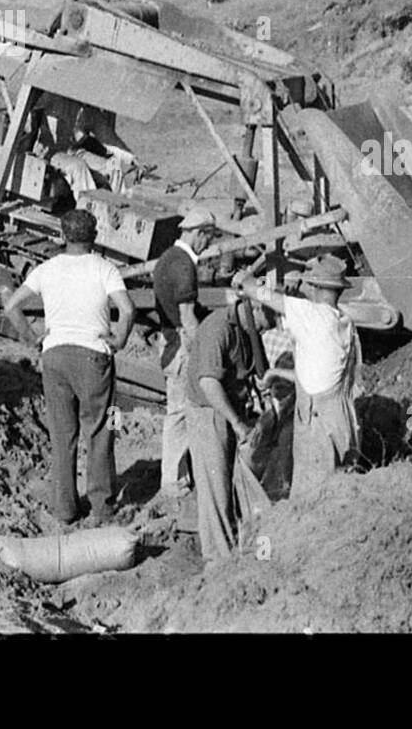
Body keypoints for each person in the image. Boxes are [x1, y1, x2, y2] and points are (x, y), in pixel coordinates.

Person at [3, 209, 135, 527]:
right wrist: (118, 340)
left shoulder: (46, 269)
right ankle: (101, 506)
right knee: (100, 430)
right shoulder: (105, 269)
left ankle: (64, 508)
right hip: (92, 356)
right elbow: (127, 309)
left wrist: (32, 337)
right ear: (95, 237)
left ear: (62, 236)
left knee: (62, 435)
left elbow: (10, 305)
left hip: (55, 356)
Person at [237, 255, 361, 498]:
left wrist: (247, 281)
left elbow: (265, 296)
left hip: (318, 425)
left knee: (312, 496)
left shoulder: (311, 315)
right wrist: (275, 373)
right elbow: (316, 375)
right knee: (339, 488)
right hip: (342, 418)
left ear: (315, 288)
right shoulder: (344, 322)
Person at [151, 205, 239, 507]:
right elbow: (188, 318)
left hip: (168, 339)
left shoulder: (166, 259)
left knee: (177, 411)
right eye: (208, 237)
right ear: (199, 234)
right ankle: (175, 482)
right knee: (183, 412)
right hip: (181, 346)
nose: (208, 244)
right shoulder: (185, 265)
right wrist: (204, 352)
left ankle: (178, 476)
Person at [185, 297, 261, 558]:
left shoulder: (246, 328)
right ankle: (219, 561)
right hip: (209, 412)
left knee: (232, 483)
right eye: (269, 319)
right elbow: (208, 383)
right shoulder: (217, 329)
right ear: (257, 309)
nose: (270, 326)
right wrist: (237, 423)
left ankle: (240, 544)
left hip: (231, 407)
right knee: (216, 489)